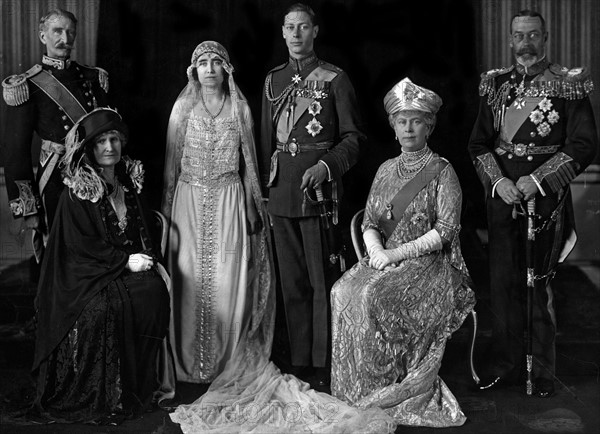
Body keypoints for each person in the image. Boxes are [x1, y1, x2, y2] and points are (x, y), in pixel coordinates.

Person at [330, 78, 475, 427]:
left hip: (430, 267)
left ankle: (384, 388)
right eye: (401, 121)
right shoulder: (384, 170)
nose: (409, 127)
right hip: (385, 257)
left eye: (416, 121)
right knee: (342, 291)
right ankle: (353, 389)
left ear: (429, 126)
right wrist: (377, 248)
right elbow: (369, 221)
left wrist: (395, 256)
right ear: (393, 127)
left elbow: (446, 231)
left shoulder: (443, 171)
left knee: (370, 294)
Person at [468, 10, 597, 397]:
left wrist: (537, 180)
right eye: (519, 36)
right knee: (503, 285)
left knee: (538, 286)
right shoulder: (496, 86)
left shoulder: (567, 85)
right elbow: (478, 144)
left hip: (545, 203)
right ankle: (507, 366)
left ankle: (541, 370)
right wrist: (499, 182)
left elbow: (583, 144)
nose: (526, 42)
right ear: (510, 40)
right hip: (503, 200)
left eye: (533, 35)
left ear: (545, 38)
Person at [32, 108, 170, 423]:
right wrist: (124, 262)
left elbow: (142, 230)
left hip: (119, 268)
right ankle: (108, 396)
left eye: (115, 139)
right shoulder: (79, 191)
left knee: (153, 293)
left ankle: (138, 390)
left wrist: (146, 257)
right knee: (104, 308)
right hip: (83, 275)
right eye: (102, 142)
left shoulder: (128, 183)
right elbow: (80, 248)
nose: (110, 147)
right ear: (90, 149)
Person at [259, 2, 366, 386]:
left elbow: (354, 139)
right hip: (281, 191)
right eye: (290, 27)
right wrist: (263, 191)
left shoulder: (335, 78)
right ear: (283, 32)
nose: (297, 34)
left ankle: (323, 362)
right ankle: (300, 359)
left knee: (322, 279)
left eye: (304, 27)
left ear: (315, 31)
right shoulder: (273, 81)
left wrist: (326, 167)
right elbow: (264, 143)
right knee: (292, 281)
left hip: (319, 192)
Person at [161, 41, 272, 384]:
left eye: (216, 62)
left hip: (229, 201)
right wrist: (165, 218)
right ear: (193, 70)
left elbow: (249, 165)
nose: (209, 69)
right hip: (187, 203)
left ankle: (226, 364)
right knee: (187, 281)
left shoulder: (240, 109)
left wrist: (252, 208)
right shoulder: (182, 109)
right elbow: (170, 168)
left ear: (227, 69)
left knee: (227, 281)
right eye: (203, 63)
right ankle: (188, 363)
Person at [2, 8, 110, 257]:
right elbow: (15, 152)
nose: (65, 37)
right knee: (61, 253)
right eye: (57, 31)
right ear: (43, 36)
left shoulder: (93, 78)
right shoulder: (28, 84)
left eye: (70, 31)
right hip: (55, 181)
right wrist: (28, 209)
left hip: (95, 173)